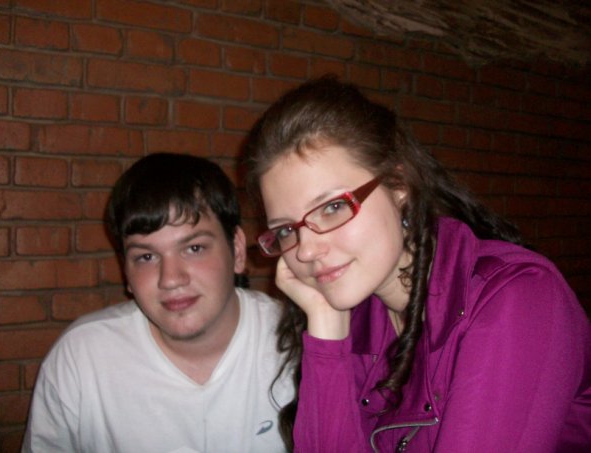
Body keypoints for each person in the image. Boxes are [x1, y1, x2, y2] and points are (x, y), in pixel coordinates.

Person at [243, 76, 591, 453]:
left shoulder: (518, 300)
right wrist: (326, 326)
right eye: (287, 230)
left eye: (333, 207)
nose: (306, 251)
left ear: (398, 185)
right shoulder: (361, 321)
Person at [22, 153, 294, 453]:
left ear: (237, 251)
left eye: (194, 248)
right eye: (146, 257)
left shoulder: (297, 344)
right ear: (126, 271)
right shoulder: (81, 359)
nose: (171, 279)